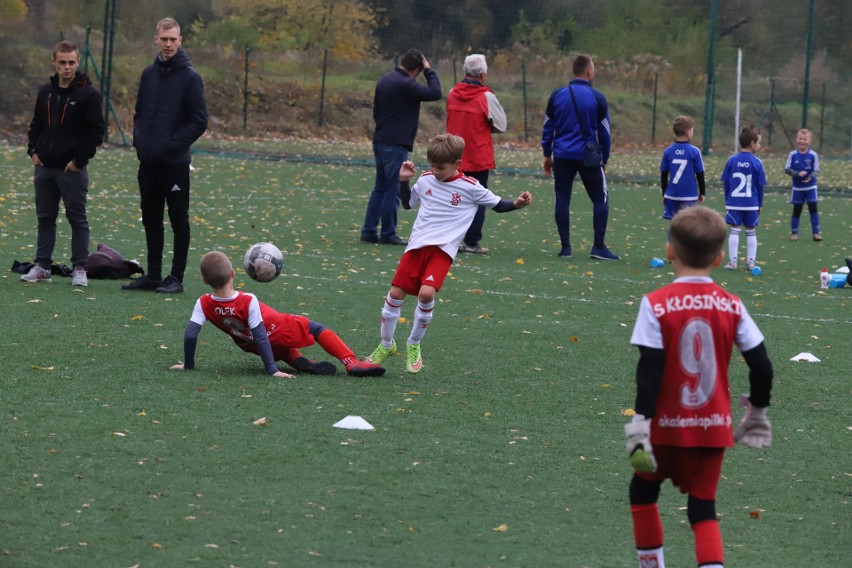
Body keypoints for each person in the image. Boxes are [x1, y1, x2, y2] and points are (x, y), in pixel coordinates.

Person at [624, 205, 774, 568]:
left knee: (642, 492)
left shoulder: (655, 304)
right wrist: (757, 411)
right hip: (712, 430)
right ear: (720, 258)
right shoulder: (732, 305)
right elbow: (762, 365)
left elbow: (650, 370)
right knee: (703, 508)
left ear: (669, 250)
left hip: (662, 430)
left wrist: (640, 426)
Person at [365, 134, 532, 373]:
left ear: (457, 164)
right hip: (416, 246)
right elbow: (407, 204)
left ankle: (413, 343)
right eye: (432, 165)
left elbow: (498, 205)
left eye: (440, 167)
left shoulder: (470, 187)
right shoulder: (425, 180)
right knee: (395, 292)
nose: (434, 171)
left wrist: (517, 203)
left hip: (442, 251)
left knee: (425, 294)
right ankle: (385, 345)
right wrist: (403, 181)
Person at [170, 251, 386, 378]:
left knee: (281, 350)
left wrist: (188, 365)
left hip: (247, 343)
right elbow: (262, 334)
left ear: (205, 281)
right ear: (233, 274)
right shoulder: (247, 299)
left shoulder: (203, 302)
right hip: (275, 328)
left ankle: (300, 361)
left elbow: (190, 335)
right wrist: (272, 371)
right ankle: (351, 362)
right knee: (315, 328)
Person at [122, 17, 208, 294]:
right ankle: (154, 275)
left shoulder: (191, 78)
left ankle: (176, 278)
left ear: (180, 41)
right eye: (164, 39)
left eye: (173, 39)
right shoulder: (148, 74)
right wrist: (141, 143)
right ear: (156, 39)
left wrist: (171, 145)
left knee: (179, 220)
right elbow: (139, 113)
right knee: (150, 218)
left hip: (174, 165)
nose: (168, 43)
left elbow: (199, 120)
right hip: (148, 164)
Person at [22, 40, 105, 287]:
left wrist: (79, 161)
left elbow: (96, 132)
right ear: (54, 62)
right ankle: (43, 266)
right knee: (45, 218)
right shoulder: (45, 92)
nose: (67, 67)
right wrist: (33, 151)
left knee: (77, 218)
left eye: (71, 62)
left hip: (71, 170)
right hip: (45, 168)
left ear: (78, 63)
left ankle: (80, 268)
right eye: (62, 62)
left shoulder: (88, 95)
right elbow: (36, 125)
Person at [360, 49, 442, 246]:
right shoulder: (406, 83)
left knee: (380, 187)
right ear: (416, 69)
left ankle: (369, 230)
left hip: (380, 139)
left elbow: (376, 111)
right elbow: (435, 92)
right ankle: (388, 233)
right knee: (393, 188)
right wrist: (429, 71)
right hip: (395, 142)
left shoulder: (385, 80)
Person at [541, 54, 617, 260]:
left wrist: (547, 154)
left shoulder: (557, 95)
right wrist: (605, 158)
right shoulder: (598, 97)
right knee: (600, 198)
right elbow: (605, 132)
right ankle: (598, 247)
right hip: (589, 157)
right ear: (589, 71)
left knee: (562, 197)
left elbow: (548, 127)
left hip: (563, 155)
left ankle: (566, 248)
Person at [446, 53, 507, 255]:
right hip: (477, 156)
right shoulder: (486, 97)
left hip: (452, 155)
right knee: (477, 199)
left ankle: (449, 239)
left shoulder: (452, 92)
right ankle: (472, 242)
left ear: (465, 71)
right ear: (483, 73)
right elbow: (501, 125)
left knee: (453, 198)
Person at [720, 125, 765, 271]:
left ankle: (733, 262)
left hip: (734, 202)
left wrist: (728, 199)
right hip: (751, 203)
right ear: (752, 143)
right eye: (758, 142)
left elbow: (726, 183)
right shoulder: (757, 163)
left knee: (735, 229)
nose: (759, 145)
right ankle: (751, 263)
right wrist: (760, 204)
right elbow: (760, 186)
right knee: (751, 230)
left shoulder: (731, 160)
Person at [659, 115, 705, 226]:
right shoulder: (694, 151)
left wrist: (664, 193)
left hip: (672, 195)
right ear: (687, 133)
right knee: (689, 225)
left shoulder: (668, 151)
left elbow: (664, 175)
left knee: (674, 224)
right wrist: (702, 192)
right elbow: (700, 174)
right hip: (689, 195)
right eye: (692, 129)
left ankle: (672, 243)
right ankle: (686, 244)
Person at [785, 128, 822, 241]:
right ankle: (794, 233)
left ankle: (816, 233)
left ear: (809, 142)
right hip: (797, 188)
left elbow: (816, 170)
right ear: (797, 140)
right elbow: (787, 169)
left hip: (811, 187)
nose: (802, 141)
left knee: (813, 209)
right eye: (800, 139)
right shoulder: (792, 155)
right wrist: (797, 174)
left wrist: (809, 177)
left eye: (805, 139)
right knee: (797, 209)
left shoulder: (813, 155)